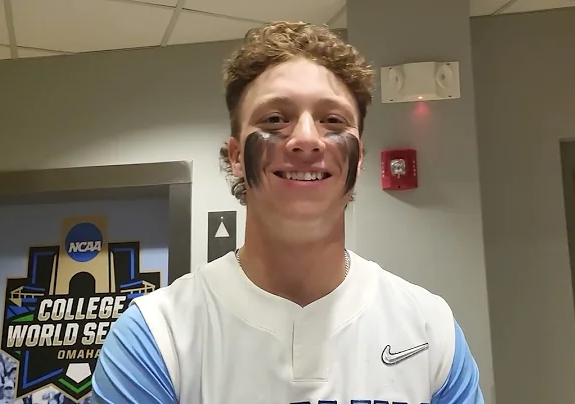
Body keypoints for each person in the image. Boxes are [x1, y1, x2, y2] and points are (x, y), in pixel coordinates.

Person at [92, 21, 484, 404]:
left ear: (358, 158)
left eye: (333, 120)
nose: (307, 140)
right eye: (275, 119)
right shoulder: (157, 337)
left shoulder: (430, 331)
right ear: (235, 158)